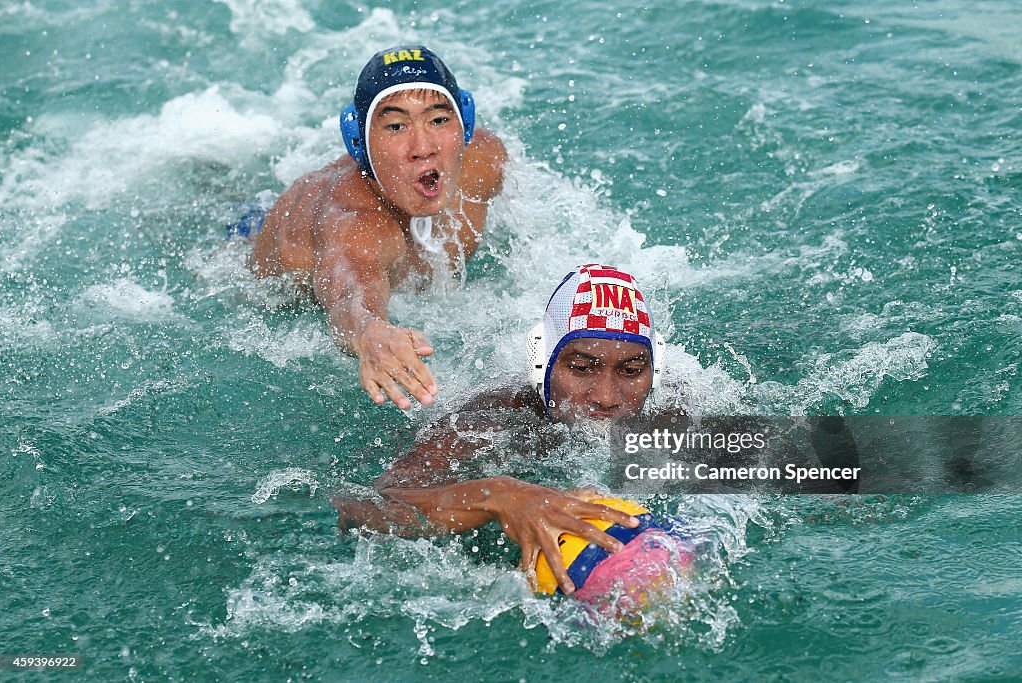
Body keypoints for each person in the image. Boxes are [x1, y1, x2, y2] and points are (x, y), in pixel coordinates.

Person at [332, 264, 860, 595]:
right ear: (544, 363)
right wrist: (498, 496)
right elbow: (362, 507)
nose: (607, 397)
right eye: (581, 367)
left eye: (631, 371)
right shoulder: (494, 418)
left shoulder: (677, 415)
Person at [247, 45, 507, 411]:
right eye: (396, 126)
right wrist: (369, 331)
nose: (424, 148)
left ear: (463, 123)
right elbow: (347, 284)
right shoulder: (353, 220)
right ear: (359, 142)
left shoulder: (484, 161)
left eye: (438, 120)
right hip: (253, 253)